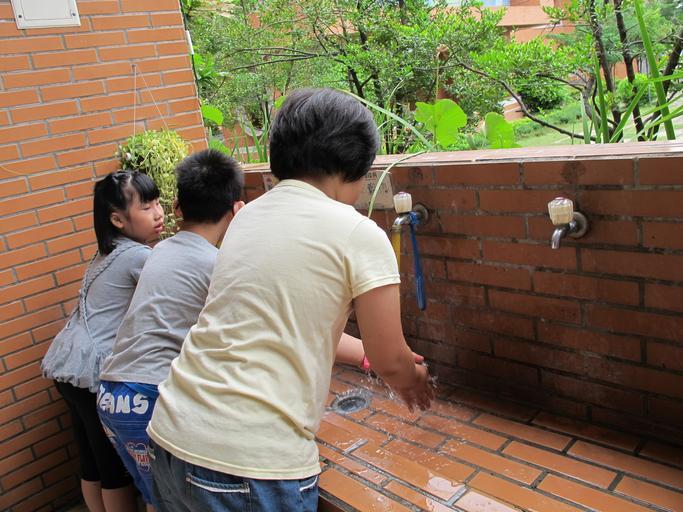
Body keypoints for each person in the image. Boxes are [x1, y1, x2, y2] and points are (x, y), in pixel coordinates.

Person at [147, 88, 435, 512]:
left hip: (172, 434)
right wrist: (413, 380)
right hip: (247, 462)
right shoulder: (357, 233)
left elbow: (285, 318)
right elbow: (390, 358)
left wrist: (366, 356)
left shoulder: (247, 217)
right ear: (355, 166)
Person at [96, 149, 244, 511]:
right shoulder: (218, 265)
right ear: (237, 209)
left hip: (111, 394)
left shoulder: (159, 251)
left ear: (176, 206)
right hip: (149, 396)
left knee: (160, 499)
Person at [41, 171, 164, 512]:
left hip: (67, 367)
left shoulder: (105, 253)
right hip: (92, 373)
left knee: (92, 462)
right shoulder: (138, 256)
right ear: (117, 219)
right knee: (114, 468)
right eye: (146, 206)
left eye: (157, 203)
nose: (158, 213)